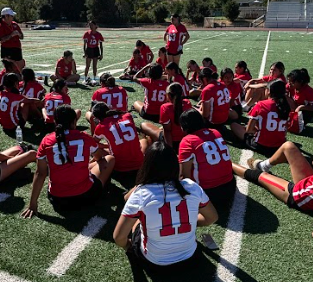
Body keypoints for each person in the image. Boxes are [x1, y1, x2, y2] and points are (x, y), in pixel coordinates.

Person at [113, 141, 217, 271]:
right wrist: (185, 223)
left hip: (155, 264)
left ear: (147, 166)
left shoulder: (141, 193)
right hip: (190, 258)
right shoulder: (191, 186)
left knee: (139, 219)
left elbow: (118, 237)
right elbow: (212, 218)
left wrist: (128, 246)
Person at [21, 104, 115, 215]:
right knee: (110, 159)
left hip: (58, 200)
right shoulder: (84, 137)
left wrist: (32, 204)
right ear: (74, 122)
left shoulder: (47, 141)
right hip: (86, 195)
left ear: (56, 122)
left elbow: (40, 173)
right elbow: (100, 157)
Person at [178, 109, 236, 212]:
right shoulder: (215, 132)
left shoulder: (188, 141)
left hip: (207, 194)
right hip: (230, 187)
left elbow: (185, 178)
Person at [93, 103, 150, 187]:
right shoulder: (127, 116)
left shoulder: (101, 126)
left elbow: (94, 142)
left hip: (119, 168)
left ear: (98, 118)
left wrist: (107, 146)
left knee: (96, 150)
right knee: (144, 140)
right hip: (139, 165)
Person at [231, 80, 291, 156]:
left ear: (268, 91)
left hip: (261, 145)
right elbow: (285, 131)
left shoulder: (261, 105)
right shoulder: (286, 106)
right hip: (278, 146)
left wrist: (256, 129)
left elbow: (249, 130)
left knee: (234, 125)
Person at [140, 83, 192, 151]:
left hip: (173, 142)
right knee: (160, 128)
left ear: (169, 95)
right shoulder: (188, 103)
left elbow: (167, 131)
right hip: (185, 141)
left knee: (144, 125)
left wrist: (170, 149)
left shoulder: (165, 107)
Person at [0, 7, 24, 72]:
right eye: (11, 16)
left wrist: (18, 34)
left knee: (21, 67)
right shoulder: (0, 26)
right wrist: (11, 35)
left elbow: (22, 37)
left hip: (17, 48)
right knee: (9, 69)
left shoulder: (15, 24)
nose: (12, 17)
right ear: (6, 16)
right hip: (7, 49)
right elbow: (2, 39)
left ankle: (22, 80)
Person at [83, 20, 104, 85]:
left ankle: (94, 78)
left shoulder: (99, 34)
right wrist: (85, 52)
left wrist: (101, 54)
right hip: (89, 49)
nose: (91, 26)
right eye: (90, 25)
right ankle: (85, 78)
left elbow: (101, 45)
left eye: (92, 25)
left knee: (94, 66)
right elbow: (84, 45)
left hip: (95, 49)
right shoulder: (87, 33)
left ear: (95, 25)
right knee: (87, 66)